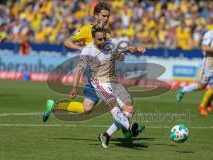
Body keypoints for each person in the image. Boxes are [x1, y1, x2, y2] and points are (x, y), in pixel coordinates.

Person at [43, 2, 145, 139]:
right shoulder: (86, 30)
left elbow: (110, 50)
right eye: (103, 15)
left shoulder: (107, 34)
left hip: (107, 76)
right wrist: (82, 50)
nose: (106, 18)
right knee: (99, 107)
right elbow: (67, 42)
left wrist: (117, 55)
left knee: (100, 108)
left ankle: (127, 131)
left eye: (108, 16)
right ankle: (127, 131)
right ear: (96, 15)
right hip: (95, 78)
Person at [71, 26, 146, 148]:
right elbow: (79, 70)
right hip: (99, 82)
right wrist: (74, 87)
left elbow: (129, 48)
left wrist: (138, 48)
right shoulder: (87, 51)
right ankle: (129, 127)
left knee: (130, 110)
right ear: (93, 38)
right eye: (100, 39)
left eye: (104, 38)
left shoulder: (111, 43)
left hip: (113, 81)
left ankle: (106, 135)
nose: (103, 41)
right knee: (113, 105)